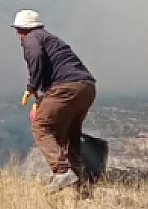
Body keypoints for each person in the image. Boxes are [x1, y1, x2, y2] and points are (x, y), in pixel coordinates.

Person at [12, 10, 97, 193]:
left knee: (40, 126)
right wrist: (42, 98)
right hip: (86, 87)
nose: (18, 35)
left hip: (67, 87)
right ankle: (82, 186)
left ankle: (62, 171)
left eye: (18, 30)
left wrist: (31, 88)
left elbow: (36, 59)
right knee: (69, 135)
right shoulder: (50, 39)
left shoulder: (32, 39)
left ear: (23, 29)